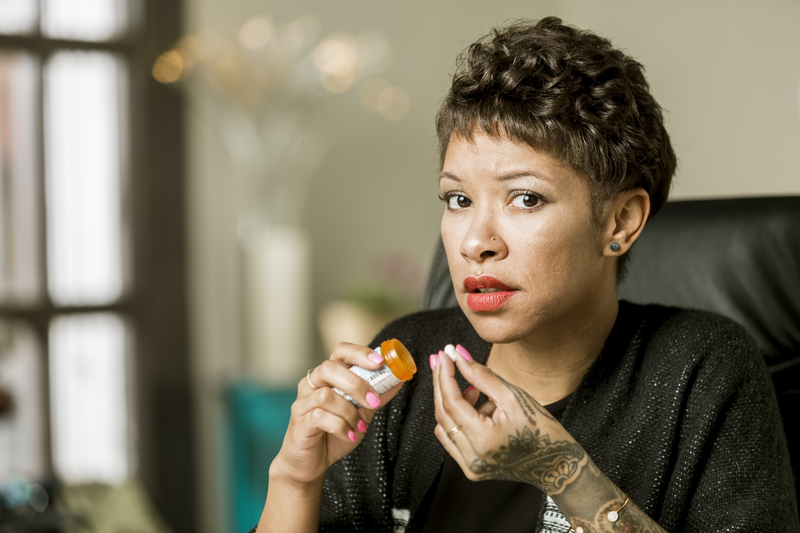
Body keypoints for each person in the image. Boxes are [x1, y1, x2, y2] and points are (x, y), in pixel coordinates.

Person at [254, 17, 798, 533]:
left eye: (526, 198)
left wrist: (563, 473)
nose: (475, 243)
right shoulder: (410, 359)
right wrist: (295, 479)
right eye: (458, 199)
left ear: (620, 221)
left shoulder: (703, 369)